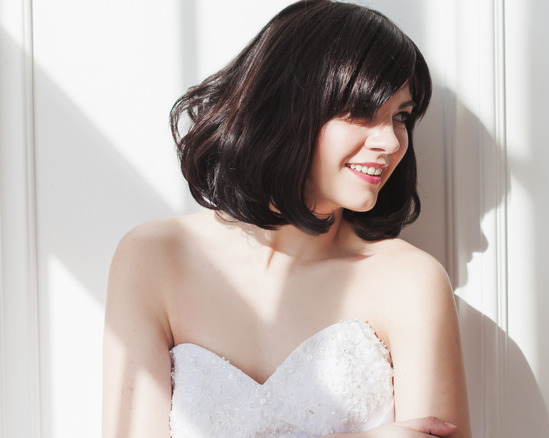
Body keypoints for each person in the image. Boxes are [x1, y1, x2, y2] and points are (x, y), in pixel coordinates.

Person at [102, 1, 471, 437]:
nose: (391, 141)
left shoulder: (411, 281)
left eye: (401, 117)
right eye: (362, 112)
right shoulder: (153, 259)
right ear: (287, 108)